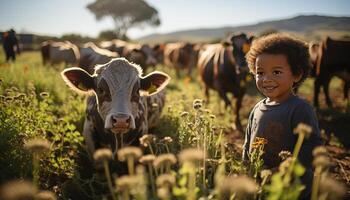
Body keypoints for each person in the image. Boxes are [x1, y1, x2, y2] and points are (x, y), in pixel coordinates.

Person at [242, 33, 323, 199]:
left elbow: (311, 149)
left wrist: (281, 171)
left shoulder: (300, 109)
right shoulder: (256, 109)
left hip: (292, 189)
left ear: (297, 74)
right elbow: (247, 143)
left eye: (276, 72)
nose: (266, 79)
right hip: (262, 186)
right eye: (260, 72)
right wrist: (246, 167)